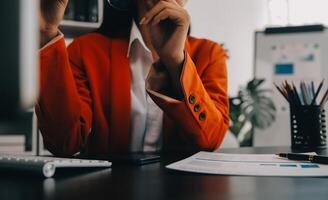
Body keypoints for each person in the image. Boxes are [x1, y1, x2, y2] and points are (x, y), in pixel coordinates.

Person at [38, 0, 229, 156]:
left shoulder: (210, 54)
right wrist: (47, 30)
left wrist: (175, 62)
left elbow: (210, 140)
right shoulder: (85, 51)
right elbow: (64, 143)